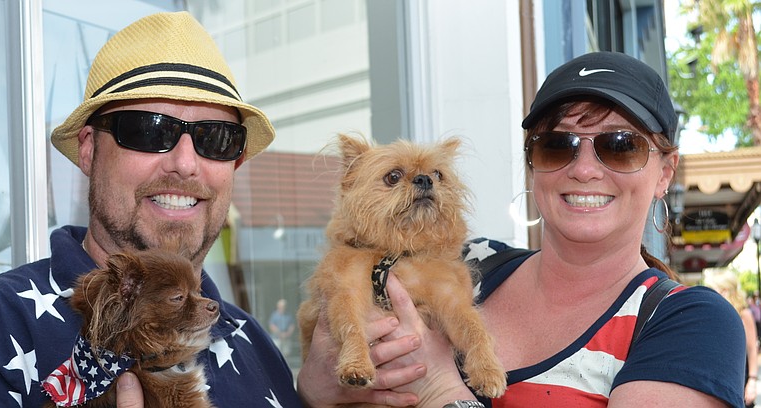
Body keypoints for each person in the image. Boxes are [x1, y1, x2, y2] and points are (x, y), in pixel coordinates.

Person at [297, 51, 746, 407]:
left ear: (665, 172)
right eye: (557, 146)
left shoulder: (690, 324)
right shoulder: (468, 262)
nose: (584, 169)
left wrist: (440, 389)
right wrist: (315, 389)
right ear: (533, 166)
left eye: (620, 146)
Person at [0, 12, 302, 407]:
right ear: (88, 149)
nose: (185, 163)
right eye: (150, 130)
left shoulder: (254, 341)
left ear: (234, 164)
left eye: (216, 138)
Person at [706, 271, 759, 408]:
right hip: (720, 380)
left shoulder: (744, 313)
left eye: (714, 289)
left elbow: (752, 349)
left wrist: (752, 381)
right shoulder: (714, 313)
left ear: (725, 290)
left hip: (740, 377)